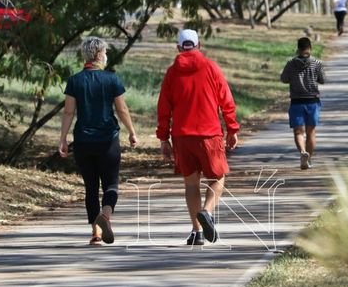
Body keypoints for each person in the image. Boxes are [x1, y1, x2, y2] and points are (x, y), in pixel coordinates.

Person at [156, 29, 239, 246]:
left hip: (182, 137)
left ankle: (197, 231)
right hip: (209, 134)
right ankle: (207, 211)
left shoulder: (172, 73)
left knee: (191, 184)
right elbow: (226, 100)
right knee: (218, 178)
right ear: (199, 45)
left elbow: (163, 108)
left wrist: (163, 138)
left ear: (178, 47)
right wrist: (232, 128)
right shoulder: (211, 67)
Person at [59, 37, 138, 246]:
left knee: (91, 187)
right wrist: (132, 132)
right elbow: (122, 109)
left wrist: (63, 139)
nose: (106, 56)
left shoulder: (74, 81)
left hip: (83, 141)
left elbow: (68, 112)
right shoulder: (111, 79)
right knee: (111, 184)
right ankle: (106, 215)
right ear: (99, 55)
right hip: (108, 140)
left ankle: (96, 233)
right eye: (105, 52)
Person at [280, 37, 325, 170]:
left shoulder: (290, 63)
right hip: (312, 102)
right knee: (311, 132)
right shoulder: (316, 63)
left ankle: (302, 153)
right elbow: (322, 80)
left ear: (298, 49)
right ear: (310, 48)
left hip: (296, 102)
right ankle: (308, 158)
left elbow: (284, 79)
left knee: (298, 132)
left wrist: (294, 79)